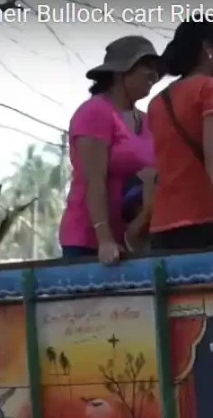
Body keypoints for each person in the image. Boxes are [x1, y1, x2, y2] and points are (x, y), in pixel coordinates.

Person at [147, 19, 213, 257]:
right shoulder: (211, 89)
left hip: (163, 227)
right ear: (208, 49)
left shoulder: (156, 103)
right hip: (207, 222)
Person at [59, 36, 160, 264]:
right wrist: (104, 239)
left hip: (130, 241)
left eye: (156, 69)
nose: (153, 75)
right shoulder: (94, 112)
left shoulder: (147, 119)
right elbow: (94, 180)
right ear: (121, 72)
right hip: (88, 241)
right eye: (146, 66)